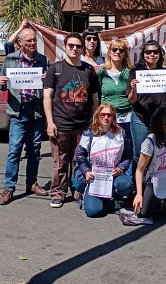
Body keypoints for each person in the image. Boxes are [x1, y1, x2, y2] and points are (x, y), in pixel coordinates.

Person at [44, 33, 100, 208]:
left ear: (83, 48)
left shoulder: (88, 70)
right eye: (71, 46)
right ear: (65, 47)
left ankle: (78, 189)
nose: (74, 49)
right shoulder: (55, 68)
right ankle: (58, 193)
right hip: (60, 124)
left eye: (78, 46)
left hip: (83, 125)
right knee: (60, 161)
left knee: (79, 160)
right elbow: (47, 97)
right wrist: (50, 123)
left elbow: (95, 98)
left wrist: (94, 120)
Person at [0, 27, 50, 205]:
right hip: (18, 111)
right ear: (19, 42)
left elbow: (50, 87)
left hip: (36, 111)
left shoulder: (43, 60)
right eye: (29, 40)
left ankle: (31, 183)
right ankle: (9, 188)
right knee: (14, 150)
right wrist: (2, 83)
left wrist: (47, 80)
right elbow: (3, 86)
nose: (33, 43)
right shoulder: (11, 60)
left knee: (35, 150)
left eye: (34, 40)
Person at [71, 104, 133, 217]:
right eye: (102, 114)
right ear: (97, 116)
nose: (106, 118)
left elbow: (128, 156)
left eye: (109, 115)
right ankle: (90, 196)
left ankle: (115, 199)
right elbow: (80, 155)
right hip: (94, 177)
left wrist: (121, 168)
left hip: (113, 175)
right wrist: (86, 171)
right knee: (93, 212)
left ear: (113, 117)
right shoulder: (88, 134)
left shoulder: (121, 134)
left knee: (125, 184)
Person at [127, 40, 166, 162]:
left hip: (162, 119)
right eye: (148, 52)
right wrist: (134, 89)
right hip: (141, 118)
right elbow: (132, 100)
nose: (152, 54)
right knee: (139, 154)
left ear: (160, 54)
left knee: (161, 153)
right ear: (143, 54)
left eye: (155, 52)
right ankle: (138, 180)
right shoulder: (136, 72)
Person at [97, 40, 135, 159]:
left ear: (125, 54)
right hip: (107, 118)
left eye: (121, 50)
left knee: (127, 151)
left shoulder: (130, 72)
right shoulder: (101, 72)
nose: (117, 52)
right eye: (114, 49)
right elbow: (96, 96)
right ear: (109, 52)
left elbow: (133, 99)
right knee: (108, 151)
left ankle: (127, 177)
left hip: (127, 117)